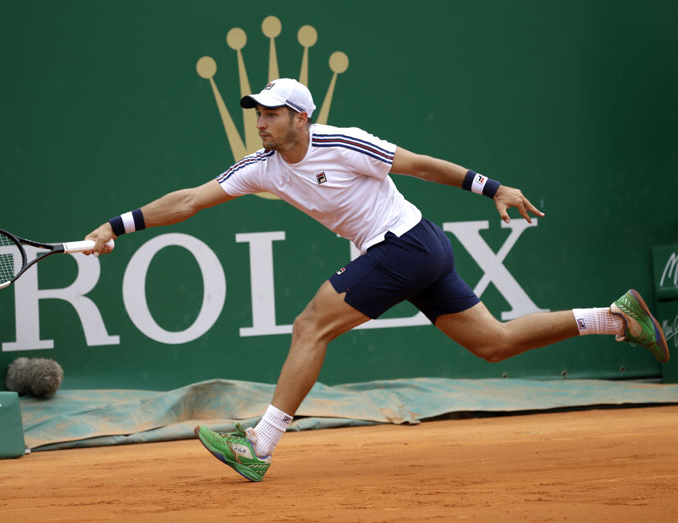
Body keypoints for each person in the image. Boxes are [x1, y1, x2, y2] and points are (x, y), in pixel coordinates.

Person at [84, 78, 669, 482]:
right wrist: (115, 226)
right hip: (417, 250)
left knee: (311, 325)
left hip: (408, 243)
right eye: (256, 113)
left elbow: (418, 166)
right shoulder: (259, 167)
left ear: (300, 116)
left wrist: (494, 189)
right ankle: (615, 317)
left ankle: (259, 443)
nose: (260, 122)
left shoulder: (344, 142)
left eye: (270, 112)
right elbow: (188, 201)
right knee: (496, 343)